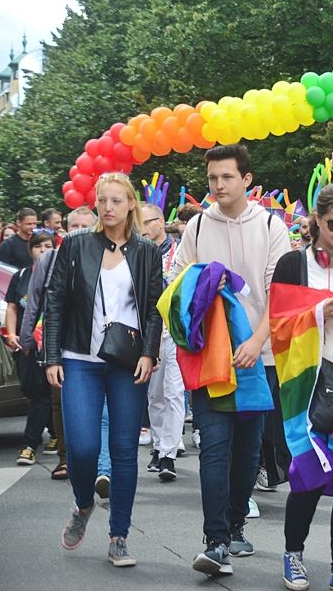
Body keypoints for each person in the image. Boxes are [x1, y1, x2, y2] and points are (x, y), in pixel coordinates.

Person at [173, 144, 291, 576]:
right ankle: (216, 540)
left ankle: (237, 523)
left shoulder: (270, 226)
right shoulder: (199, 226)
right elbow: (178, 282)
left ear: (246, 179)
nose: (218, 186)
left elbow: (278, 294)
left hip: (260, 358)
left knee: (247, 453)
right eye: (211, 179)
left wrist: (255, 342)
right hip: (211, 359)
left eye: (226, 177)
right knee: (214, 449)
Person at [44, 172, 163, 567]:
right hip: (80, 358)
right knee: (82, 446)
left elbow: (152, 306)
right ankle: (82, 504)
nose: (108, 208)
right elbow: (55, 302)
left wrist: (149, 352)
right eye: (102, 201)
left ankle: (119, 536)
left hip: (127, 362)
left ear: (131, 203)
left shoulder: (147, 251)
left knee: (124, 451)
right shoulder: (76, 244)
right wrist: (53, 357)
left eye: (116, 200)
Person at [274, 183, 333, 591]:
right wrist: (318, 311)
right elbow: (278, 326)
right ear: (316, 220)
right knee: (308, 473)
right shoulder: (292, 264)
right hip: (310, 383)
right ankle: (293, 554)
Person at [21, 207, 99, 481]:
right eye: (73, 225)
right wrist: (27, 337)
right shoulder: (50, 259)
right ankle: (66, 459)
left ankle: (99, 464)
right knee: (60, 402)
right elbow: (35, 301)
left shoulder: (107, 255)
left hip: (98, 343)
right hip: (61, 342)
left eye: (84, 225)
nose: (78, 230)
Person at [141, 203, 185, 481]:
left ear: (159, 222)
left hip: (177, 330)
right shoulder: (137, 253)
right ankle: (159, 446)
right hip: (149, 331)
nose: (141, 229)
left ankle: (169, 453)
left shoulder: (180, 250)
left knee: (174, 392)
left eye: (146, 223)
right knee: (154, 393)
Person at [6, 232, 56, 466]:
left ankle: (29, 444)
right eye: (39, 246)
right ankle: (55, 433)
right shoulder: (22, 276)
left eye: (49, 245)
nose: (43, 250)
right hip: (27, 343)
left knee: (42, 394)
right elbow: (13, 307)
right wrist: (13, 334)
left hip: (51, 343)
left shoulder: (59, 274)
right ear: (31, 249)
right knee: (31, 389)